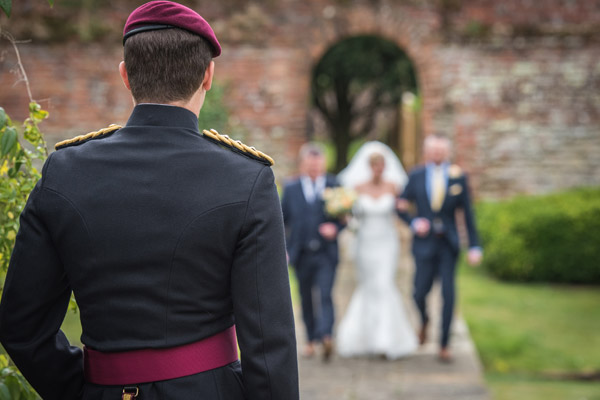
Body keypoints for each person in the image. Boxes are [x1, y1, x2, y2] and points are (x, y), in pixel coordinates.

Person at [0, 2, 299, 399]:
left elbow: (22, 326)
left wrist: (87, 388)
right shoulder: (246, 178)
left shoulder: (64, 171)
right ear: (208, 75)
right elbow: (269, 346)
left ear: (126, 76)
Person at [397, 134, 482, 362]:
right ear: (426, 151)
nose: (436, 154)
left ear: (447, 152)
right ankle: (424, 320)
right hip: (424, 245)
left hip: (448, 244)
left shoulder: (458, 177)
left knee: (448, 294)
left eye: (440, 150)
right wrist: (414, 222)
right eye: (433, 150)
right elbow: (401, 205)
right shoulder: (415, 175)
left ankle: (444, 344)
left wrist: (475, 246)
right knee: (418, 292)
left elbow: (468, 213)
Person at [336, 141, 418, 359]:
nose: (378, 170)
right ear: (369, 167)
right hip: (365, 243)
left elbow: (404, 209)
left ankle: (385, 339)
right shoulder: (358, 188)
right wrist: (347, 219)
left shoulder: (393, 187)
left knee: (384, 284)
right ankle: (363, 337)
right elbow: (350, 215)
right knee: (368, 286)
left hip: (386, 243)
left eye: (381, 166)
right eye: (374, 166)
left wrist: (408, 215)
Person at [281, 143, 342, 361]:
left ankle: (326, 336)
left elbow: (345, 216)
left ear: (323, 164)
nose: (315, 169)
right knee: (306, 297)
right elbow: (281, 220)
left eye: (318, 165)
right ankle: (310, 340)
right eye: (310, 165)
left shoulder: (335, 185)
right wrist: (284, 250)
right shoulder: (291, 188)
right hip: (301, 253)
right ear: (303, 164)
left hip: (327, 253)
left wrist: (336, 228)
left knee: (325, 294)